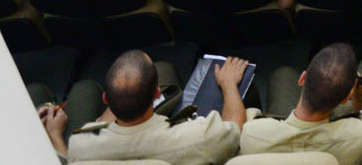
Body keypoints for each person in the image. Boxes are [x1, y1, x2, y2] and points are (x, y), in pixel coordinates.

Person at [53, 50, 246, 162]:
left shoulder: (81, 146)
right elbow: (236, 126)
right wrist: (228, 83)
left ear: (106, 100)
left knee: (85, 88)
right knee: (164, 69)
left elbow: (69, 159)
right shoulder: (200, 137)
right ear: (157, 94)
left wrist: (54, 135)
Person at [238, 43, 362, 165]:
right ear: (346, 98)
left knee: (283, 73)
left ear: (302, 79)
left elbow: (230, 131)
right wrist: (357, 82)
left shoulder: (251, 134)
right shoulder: (358, 136)